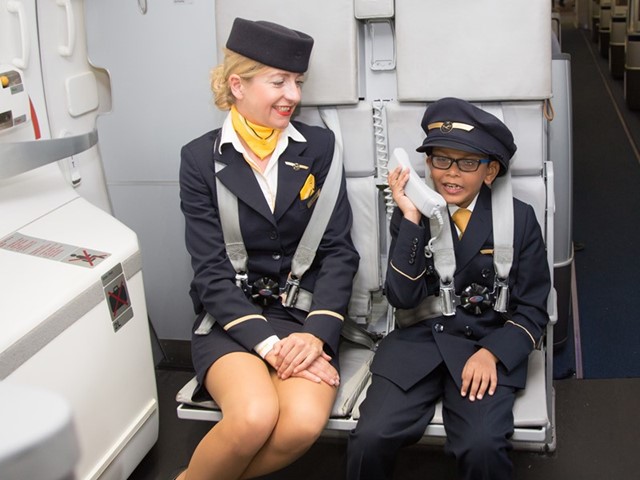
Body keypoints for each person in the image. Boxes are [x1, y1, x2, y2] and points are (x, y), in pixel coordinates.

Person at [178, 17, 359, 480]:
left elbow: (339, 252)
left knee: (300, 424)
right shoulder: (199, 159)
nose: (293, 95)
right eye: (279, 82)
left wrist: (316, 333)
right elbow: (210, 271)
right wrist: (268, 346)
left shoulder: (319, 147)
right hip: (233, 318)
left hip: (304, 319)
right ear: (237, 85)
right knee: (254, 417)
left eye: (298, 82)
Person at [346, 97, 550, 480]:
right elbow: (401, 297)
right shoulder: (413, 215)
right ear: (427, 164)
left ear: (490, 171)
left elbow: (533, 308)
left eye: (467, 163)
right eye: (441, 160)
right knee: (370, 438)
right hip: (418, 343)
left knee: (482, 446)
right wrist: (410, 217)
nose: (451, 173)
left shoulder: (518, 220)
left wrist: (494, 353)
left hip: (483, 346)